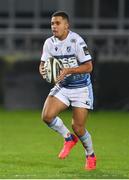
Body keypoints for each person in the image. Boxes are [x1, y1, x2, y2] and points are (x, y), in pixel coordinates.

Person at [39, 11, 96, 170]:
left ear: (66, 25)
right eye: (52, 24)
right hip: (63, 87)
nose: (54, 27)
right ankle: (68, 138)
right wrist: (43, 71)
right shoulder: (49, 43)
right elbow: (43, 64)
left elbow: (88, 67)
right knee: (47, 116)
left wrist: (68, 70)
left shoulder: (76, 41)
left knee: (78, 127)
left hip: (81, 89)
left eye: (57, 23)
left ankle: (90, 154)